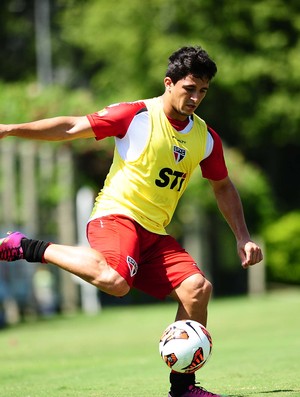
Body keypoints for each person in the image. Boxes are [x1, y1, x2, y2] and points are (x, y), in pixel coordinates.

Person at [0, 46, 263, 397]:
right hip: (116, 216)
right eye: (189, 88)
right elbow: (70, 127)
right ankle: (24, 246)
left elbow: (222, 185)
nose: (196, 97)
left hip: (155, 232)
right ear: (169, 83)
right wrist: (11, 128)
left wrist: (242, 236)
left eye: (203, 91)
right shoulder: (136, 114)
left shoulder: (205, 137)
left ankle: (183, 388)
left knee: (198, 289)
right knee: (116, 281)